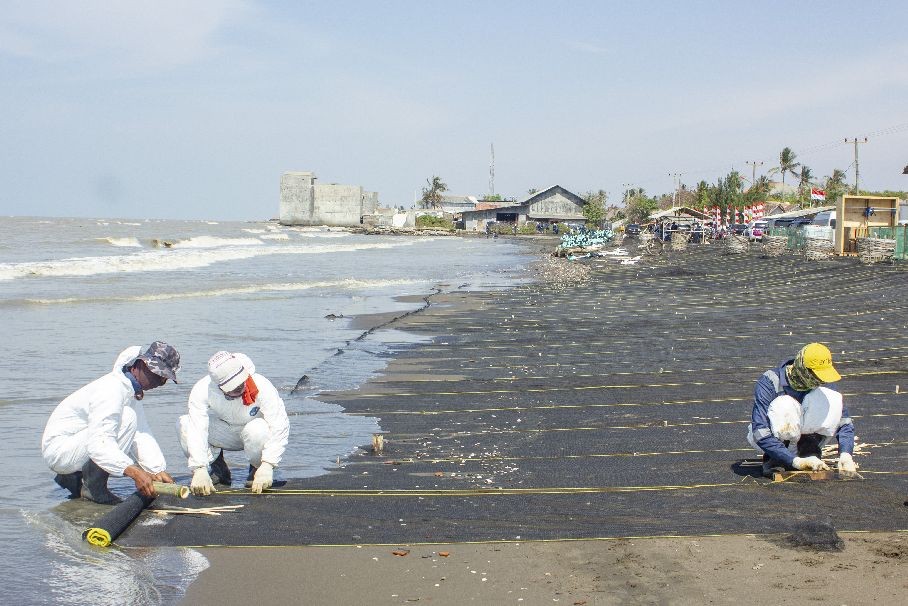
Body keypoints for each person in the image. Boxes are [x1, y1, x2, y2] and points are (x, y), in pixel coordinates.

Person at [41, 342, 180, 504]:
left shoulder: (129, 391)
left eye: (165, 379)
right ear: (141, 365)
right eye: (158, 375)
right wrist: (134, 472)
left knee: (130, 419)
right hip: (60, 451)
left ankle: (75, 476)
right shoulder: (111, 389)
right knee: (127, 418)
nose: (161, 383)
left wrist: (156, 469)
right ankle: (94, 488)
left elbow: (141, 433)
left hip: (76, 444)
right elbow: (99, 443)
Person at [179, 351, 289, 495]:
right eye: (232, 388)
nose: (239, 388)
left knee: (258, 429)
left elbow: (279, 425)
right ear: (219, 386)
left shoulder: (262, 385)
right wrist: (199, 468)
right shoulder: (202, 389)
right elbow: (197, 428)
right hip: (225, 432)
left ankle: (257, 469)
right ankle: (218, 469)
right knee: (185, 424)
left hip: (254, 433)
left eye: (240, 384)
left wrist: (268, 464)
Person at [747, 343, 858, 479]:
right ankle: (776, 459)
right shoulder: (771, 381)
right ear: (802, 369)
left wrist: (846, 454)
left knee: (832, 398)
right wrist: (794, 461)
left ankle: (809, 452)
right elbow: (760, 431)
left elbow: (844, 422)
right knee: (785, 404)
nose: (820, 381)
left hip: (809, 440)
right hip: (774, 442)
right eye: (816, 376)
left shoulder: (824, 383)